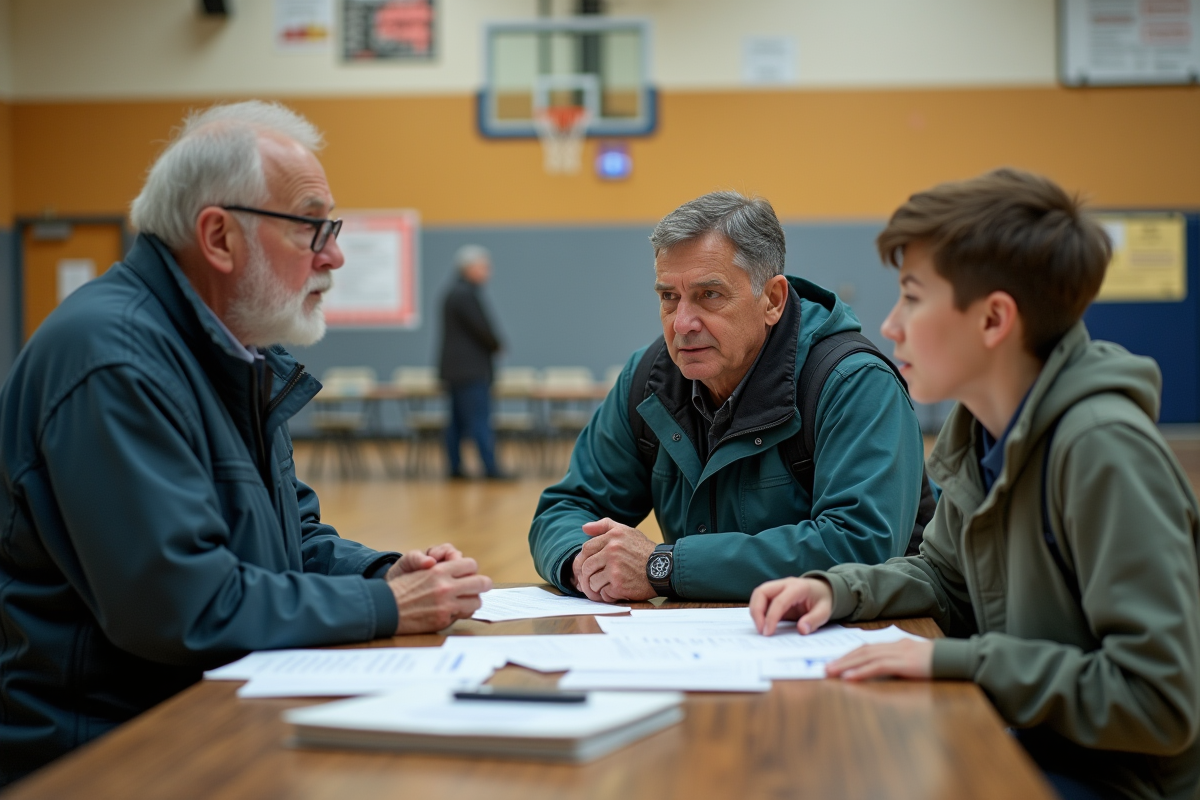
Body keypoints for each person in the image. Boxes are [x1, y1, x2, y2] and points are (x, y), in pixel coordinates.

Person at [0, 101, 493, 784]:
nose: (335, 254)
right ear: (219, 238)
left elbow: (293, 540)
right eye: (312, 226)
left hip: (198, 718)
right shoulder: (113, 359)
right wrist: (384, 608)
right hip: (108, 756)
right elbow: (183, 606)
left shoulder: (225, 353)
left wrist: (384, 574)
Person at [749, 169, 1200, 800]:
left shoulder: (1101, 450)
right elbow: (944, 577)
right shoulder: (977, 426)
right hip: (1024, 740)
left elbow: (1158, 700)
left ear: (993, 320)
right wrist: (835, 588)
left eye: (912, 297)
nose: (890, 325)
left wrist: (949, 662)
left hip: (1115, 782)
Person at [528, 191, 925, 602]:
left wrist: (664, 566)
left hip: (865, 644)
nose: (682, 323)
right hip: (708, 642)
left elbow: (859, 546)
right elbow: (566, 506)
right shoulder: (650, 380)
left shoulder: (852, 382)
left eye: (709, 295)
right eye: (669, 297)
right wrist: (582, 562)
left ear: (771, 300)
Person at [437, 245, 506, 479]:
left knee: (456, 422)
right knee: (479, 420)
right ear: (470, 268)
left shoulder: (453, 292)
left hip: (455, 370)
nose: (488, 272)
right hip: (470, 371)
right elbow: (482, 329)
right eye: (484, 267)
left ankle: (455, 468)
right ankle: (490, 468)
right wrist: (497, 345)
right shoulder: (466, 294)